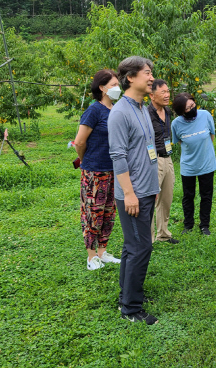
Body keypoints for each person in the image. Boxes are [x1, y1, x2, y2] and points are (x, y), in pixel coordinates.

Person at [108, 56, 160, 325]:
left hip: (146, 189)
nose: (152, 78)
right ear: (131, 77)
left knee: (133, 247)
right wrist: (129, 193)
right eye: (147, 73)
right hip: (134, 193)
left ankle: (126, 297)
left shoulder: (140, 107)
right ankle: (131, 309)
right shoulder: (120, 113)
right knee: (141, 247)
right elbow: (118, 156)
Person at [74, 69, 122, 271]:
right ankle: (91, 256)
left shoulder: (115, 110)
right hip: (95, 171)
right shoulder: (94, 111)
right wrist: (86, 161)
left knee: (109, 212)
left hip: (114, 170)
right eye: (113, 85)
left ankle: (103, 251)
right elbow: (80, 141)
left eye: (117, 84)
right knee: (93, 213)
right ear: (102, 88)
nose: (117, 88)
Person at [171, 93, 216, 236]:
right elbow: (178, 141)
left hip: (207, 164)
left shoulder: (205, 115)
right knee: (188, 196)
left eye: (193, 105)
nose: (192, 109)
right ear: (181, 112)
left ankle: (204, 225)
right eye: (188, 108)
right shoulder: (176, 124)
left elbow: (211, 135)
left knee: (206, 195)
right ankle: (188, 225)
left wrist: (204, 151)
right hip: (188, 166)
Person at [147, 79, 179, 244]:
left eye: (168, 91)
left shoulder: (166, 111)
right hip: (153, 160)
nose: (167, 95)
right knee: (151, 200)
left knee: (166, 198)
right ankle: (149, 239)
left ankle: (163, 234)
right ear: (152, 95)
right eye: (163, 92)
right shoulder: (146, 113)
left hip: (167, 158)